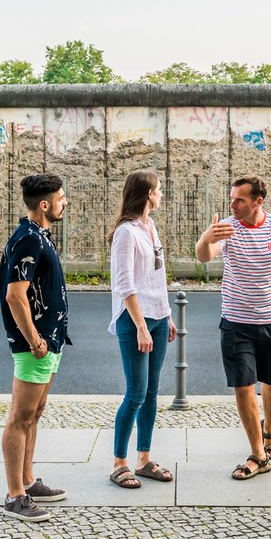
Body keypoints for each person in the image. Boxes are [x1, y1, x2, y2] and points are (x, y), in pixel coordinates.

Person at [195, 175, 271, 480]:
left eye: (239, 200)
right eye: (231, 198)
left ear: (257, 202)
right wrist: (206, 238)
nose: (232, 204)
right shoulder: (227, 227)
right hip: (236, 321)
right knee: (242, 385)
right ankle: (257, 454)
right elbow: (204, 257)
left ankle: (270, 427)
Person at [0, 172, 72, 522]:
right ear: (45, 204)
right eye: (61, 198)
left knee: (35, 412)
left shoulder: (39, 235)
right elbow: (16, 295)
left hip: (49, 340)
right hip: (35, 344)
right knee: (20, 416)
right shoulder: (28, 239)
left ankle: (27, 480)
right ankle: (15, 496)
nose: (65, 203)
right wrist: (34, 340)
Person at [107, 170, 177, 490]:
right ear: (148, 194)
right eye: (159, 190)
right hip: (135, 320)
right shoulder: (126, 232)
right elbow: (125, 284)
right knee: (135, 392)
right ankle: (119, 463)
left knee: (151, 392)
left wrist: (167, 316)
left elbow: (155, 278)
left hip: (158, 318)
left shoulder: (150, 227)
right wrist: (140, 326)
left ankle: (144, 459)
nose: (161, 194)